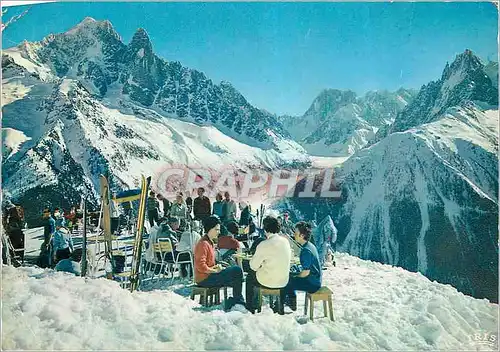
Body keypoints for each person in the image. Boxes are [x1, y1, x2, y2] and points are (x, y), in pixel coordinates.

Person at [194, 215, 245, 310]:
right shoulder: (203, 244)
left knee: (235, 275)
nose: (219, 232)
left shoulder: (209, 242)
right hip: (204, 279)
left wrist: (217, 266)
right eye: (217, 229)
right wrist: (215, 271)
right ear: (210, 229)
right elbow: (201, 266)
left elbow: (208, 264)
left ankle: (235, 301)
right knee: (237, 270)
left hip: (208, 276)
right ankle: (238, 301)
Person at [246, 216, 291, 314]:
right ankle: (278, 305)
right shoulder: (286, 242)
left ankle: (251, 307)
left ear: (265, 229)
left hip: (268, 281)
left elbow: (253, 266)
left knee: (250, 277)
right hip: (283, 281)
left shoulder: (264, 244)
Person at [284, 222, 322, 311]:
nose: (294, 235)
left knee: (287, 280)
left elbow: (305, 273)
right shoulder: (309, 245)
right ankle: (290, 300)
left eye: (296, 233)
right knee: (290, 276)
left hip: (312, 284)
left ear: (301, 235)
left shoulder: (306, 251)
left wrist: (295, 276)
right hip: (316, 279)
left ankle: (290, 303)